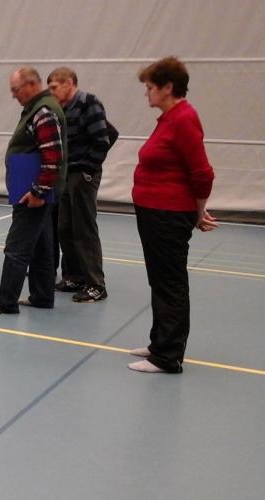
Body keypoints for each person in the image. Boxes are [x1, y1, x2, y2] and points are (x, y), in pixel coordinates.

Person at [128, 57, 217, 374]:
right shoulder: (168, 118)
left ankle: (168, 356)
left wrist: (199, 209)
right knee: (159, 279)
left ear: (168, 87)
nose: (147, 93)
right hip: (154, 211)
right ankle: (159, 343)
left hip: (169, 214)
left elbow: (202, 172)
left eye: (150, 87)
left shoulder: (183, 118)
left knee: (170, 282)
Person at [0, 67, 67, 313]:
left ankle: (5, 301)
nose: (14, 95)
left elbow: (52, 157)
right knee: (41, 246)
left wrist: (38, 192)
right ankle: (41, 296)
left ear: (31, 85)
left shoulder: (43, 111)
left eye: (16, 90)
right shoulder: (39, 108)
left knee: (16, 247)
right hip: (37, 190)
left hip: (33, 193)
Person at [46, 67, 112, 303]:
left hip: (82, 174)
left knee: (84, 229)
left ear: (69, 83)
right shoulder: (62, 109)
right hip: (66, 174)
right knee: (65, 227)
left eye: (54, 87)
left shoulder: (89, 103)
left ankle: (96, 284)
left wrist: (87, 172)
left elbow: (101, 141)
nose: (51, 92)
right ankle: (74, 276)